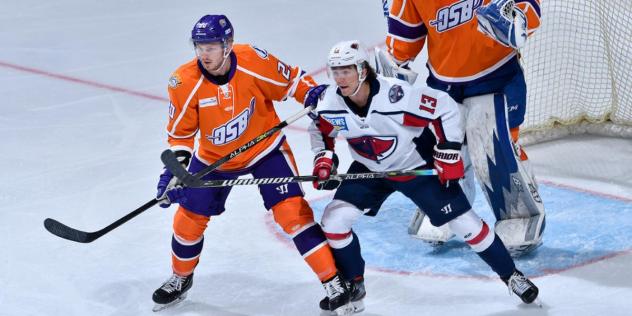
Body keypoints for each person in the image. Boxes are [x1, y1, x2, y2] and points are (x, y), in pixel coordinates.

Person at [309, 40, 539, 313]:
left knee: (465, 224)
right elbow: (320, 129)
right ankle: (354, 283)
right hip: (369, 169)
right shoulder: (330, 102)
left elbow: (445, 108)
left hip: (415, 164)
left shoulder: (396, 96)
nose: (339, 78)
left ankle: (511, 276)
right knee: (334, 219)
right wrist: (323, 159)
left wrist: (449, 150)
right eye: (334, 71)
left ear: (362, 71)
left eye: (346, 70)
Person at [152, 14, 353, 315]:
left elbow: (293, 81)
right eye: (199, 47)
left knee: (292, 214)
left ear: (228, 45)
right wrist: (176, 172)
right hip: (213, 160)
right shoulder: (183, 82)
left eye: (211, 47)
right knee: (187, 221)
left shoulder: (253, 60)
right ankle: (181, 278)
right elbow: (180, 135)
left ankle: (333, 282)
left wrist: (311, 94)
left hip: (265, 150)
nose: (204, 55)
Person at [377, 0, 546, 256]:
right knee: (440, 150)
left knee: (495, 149)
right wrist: (393, 67)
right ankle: (446, 206)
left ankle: (518, 215)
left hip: (497, 76)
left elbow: (528, 11)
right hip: (443, 82)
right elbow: (404, 38)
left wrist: (515, 19)